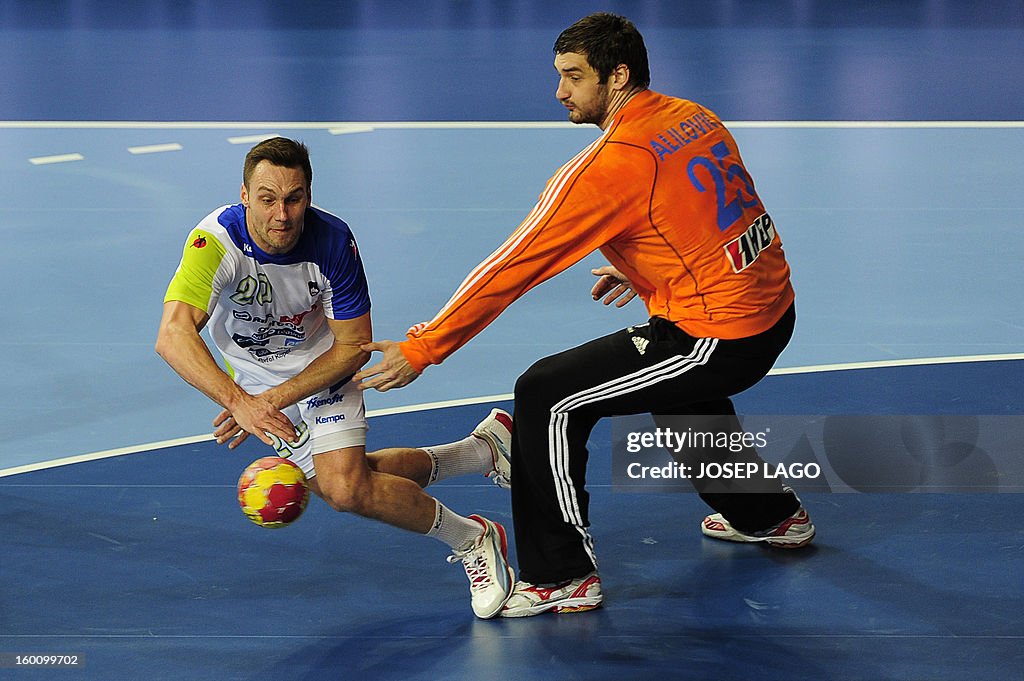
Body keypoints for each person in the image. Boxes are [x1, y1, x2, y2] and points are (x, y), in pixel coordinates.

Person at [355, 13, 815, 618]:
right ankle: (771, 515)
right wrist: (652, 265)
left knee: (547, 393)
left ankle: (562, 575)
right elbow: (721, 209)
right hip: (768, 309)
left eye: (573, 77)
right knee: (681, 393)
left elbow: (514, 264)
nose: (560, 93)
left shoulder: (613, 165)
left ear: (617, 75)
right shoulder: (692, 116)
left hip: (719, 332)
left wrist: (424, 346)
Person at [155, 136, 517, 619]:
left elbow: (352, 346)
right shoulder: (213, 243)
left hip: (323, 368)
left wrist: (271, 400)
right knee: (341, 482)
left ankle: (474, 537)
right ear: (244, 195)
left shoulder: (331, 242)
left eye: (294, 198)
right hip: (255, 382)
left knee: (346, 491)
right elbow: (173, 335)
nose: (281, 215)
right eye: (267, 199)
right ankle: (481, 450)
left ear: (309, 193)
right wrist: (242, 400)